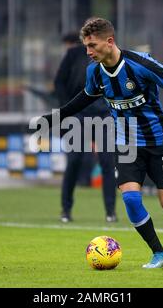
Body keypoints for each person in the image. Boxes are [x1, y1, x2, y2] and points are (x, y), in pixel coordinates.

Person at [40, 18, 163, 269]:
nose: (88, 52)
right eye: (86, 46)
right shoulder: (94, 71)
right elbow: (84, 98)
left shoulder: (140, 63)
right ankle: (159, 254)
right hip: (126, 145)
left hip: (159, 141)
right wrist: (55, 116)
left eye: (92, 45)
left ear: (110, 41)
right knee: (131, 199)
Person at [54, 32, 117, 223]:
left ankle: (110, 212)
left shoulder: (111, 55)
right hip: (78, 116)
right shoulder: (74, 54)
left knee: (108, 163)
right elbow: (59, 82)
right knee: (74, 161)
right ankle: (65, 210)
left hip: (104, 116)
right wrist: (68, 108)